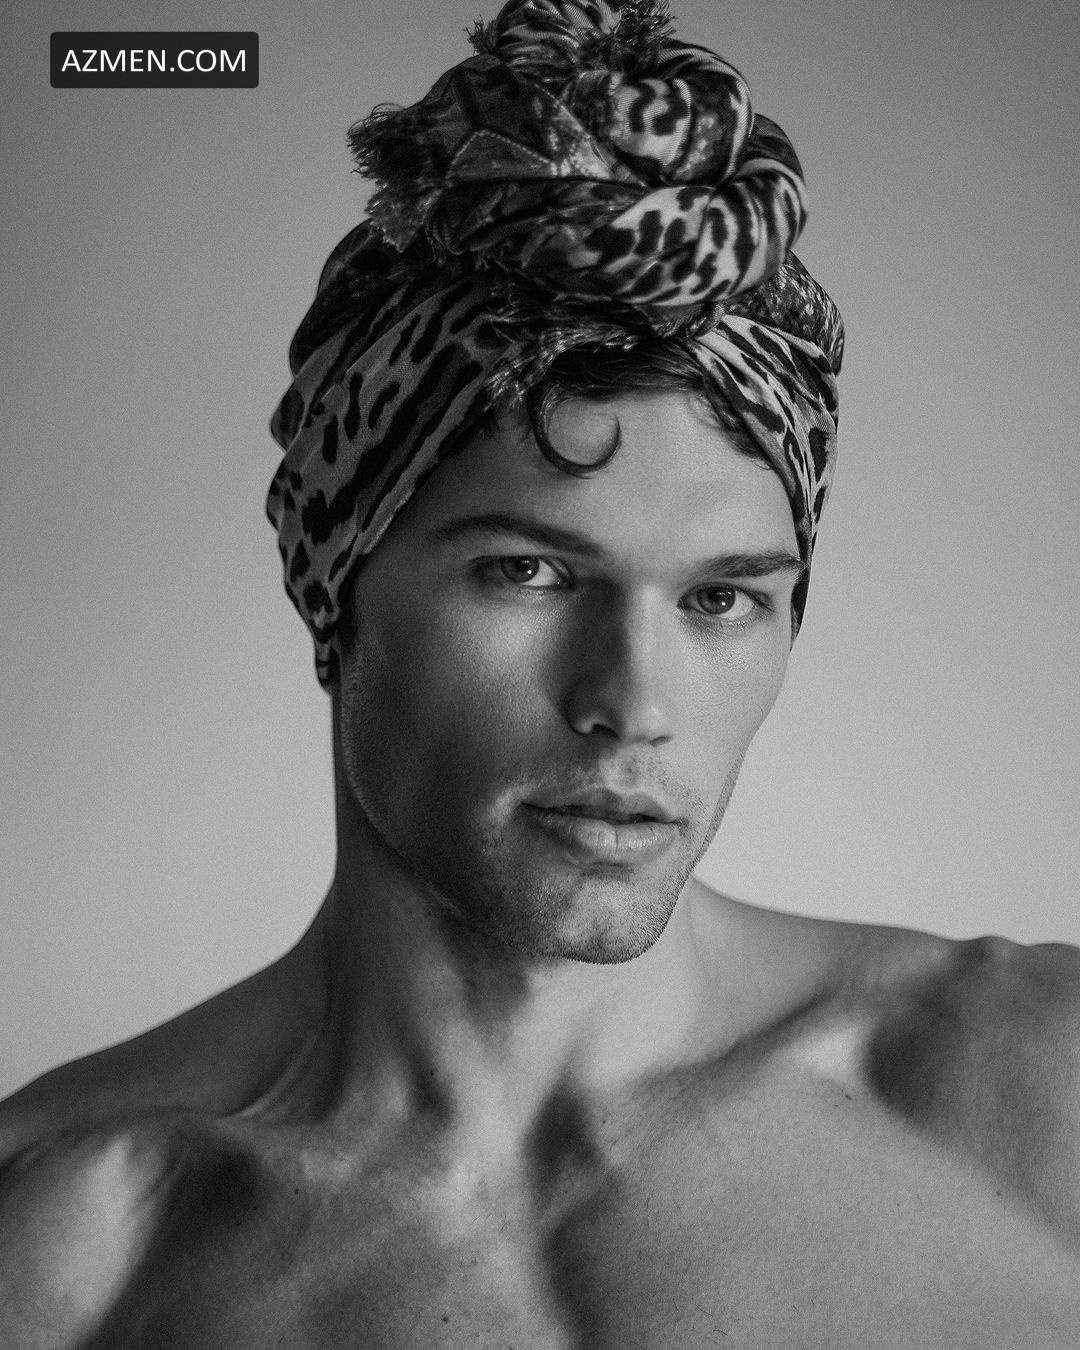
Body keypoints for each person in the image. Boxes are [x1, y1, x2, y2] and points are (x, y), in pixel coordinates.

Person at [2, 1, 1078, 1343]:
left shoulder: (1030, 1092)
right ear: (333, 577)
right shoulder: (66, 1250)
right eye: (529, 572)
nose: (632, 704)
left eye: (722, 598)